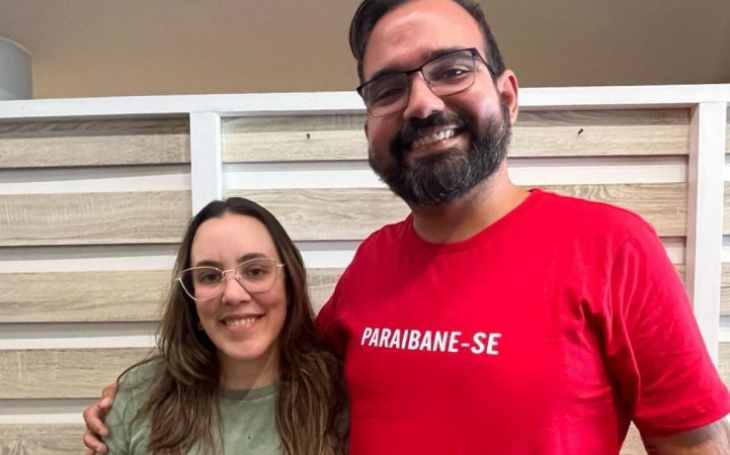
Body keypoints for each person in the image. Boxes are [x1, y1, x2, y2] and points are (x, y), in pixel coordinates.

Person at [85, 0, 730, 453]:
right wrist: (141, 396)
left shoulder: (613, 249)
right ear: (369, 124)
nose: (421, 103)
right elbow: (277, 357)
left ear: (507, 94)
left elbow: (694, 444)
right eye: (388, 88)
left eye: (451, 69)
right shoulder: (372, 264)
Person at [94, 197, 347, 455]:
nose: (233, 294)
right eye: (210, 276)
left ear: (290, 285)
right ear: (191, 299)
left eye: (255, 271)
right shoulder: (140, 396)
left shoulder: (339, 394)